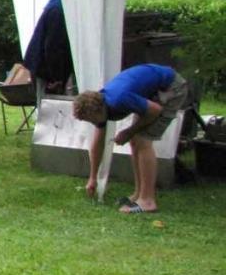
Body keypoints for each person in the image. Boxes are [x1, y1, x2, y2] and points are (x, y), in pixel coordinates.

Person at [72, 63, 188, 214]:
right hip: (154, 90)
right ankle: (138, 194)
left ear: (98, 109)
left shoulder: (118, 99)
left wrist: (129, 131)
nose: (94, 123)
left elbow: (155, 110)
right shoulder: (102, 105)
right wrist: (92, 177)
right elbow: (98, 143)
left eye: (92, 119)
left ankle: (147, 201)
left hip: (171, 87)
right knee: (135, 140)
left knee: (142, 140)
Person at [23, 0, 73, 100]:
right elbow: (53, 47)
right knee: (50, 108)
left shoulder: (57, 6)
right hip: (45, 71)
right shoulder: (58, 11)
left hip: (44, 68)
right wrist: (56, 78)